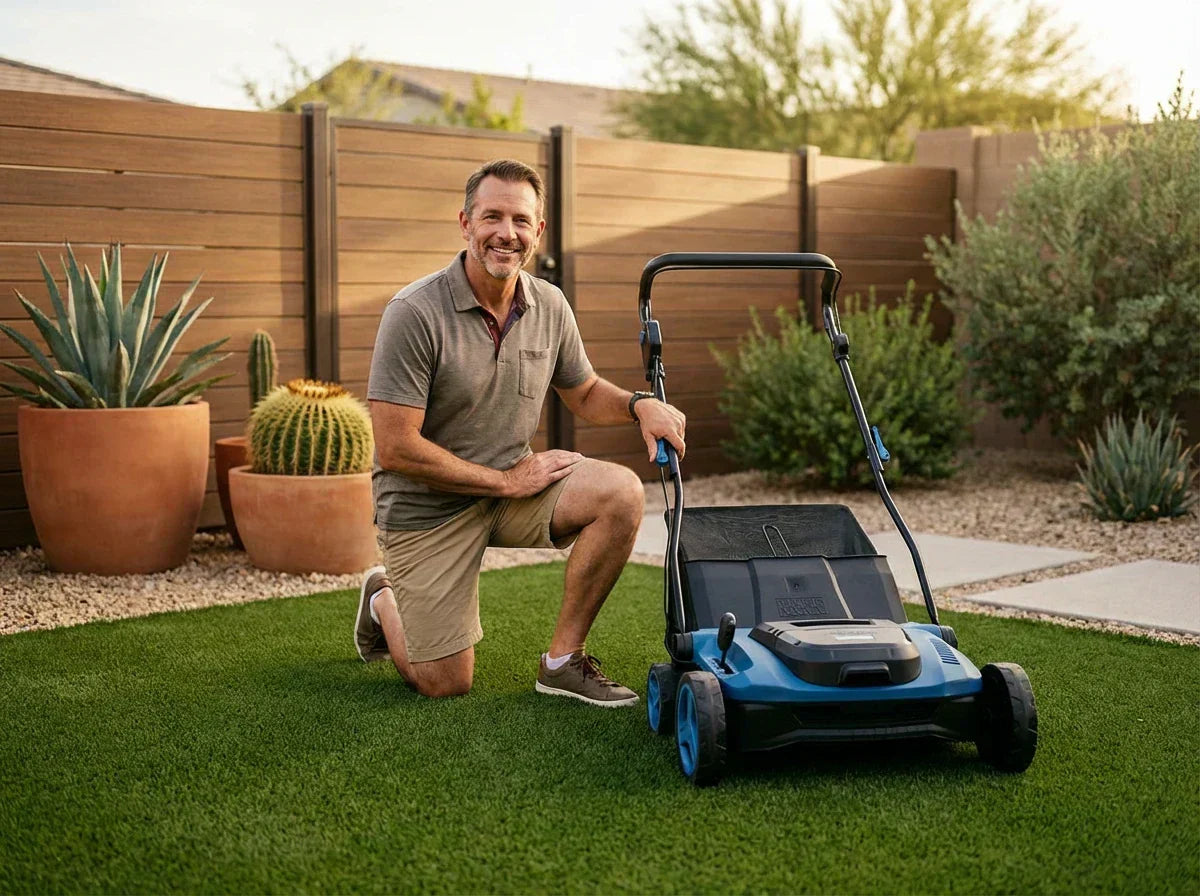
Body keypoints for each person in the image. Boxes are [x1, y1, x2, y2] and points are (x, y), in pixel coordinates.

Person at [354, 158, 686, 705]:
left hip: (512, 489)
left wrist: (639, 404)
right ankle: (384, 599)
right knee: (445, 684)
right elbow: (395, 448)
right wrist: (504, 481)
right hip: (427, 509)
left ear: (539, 231)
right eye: (492, 217)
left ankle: (561, 662)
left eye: (520, 221)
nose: (506, 234)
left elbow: (581, 392)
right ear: (465, 222)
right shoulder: (413, 312)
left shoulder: (549, 303)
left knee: (621, 492)